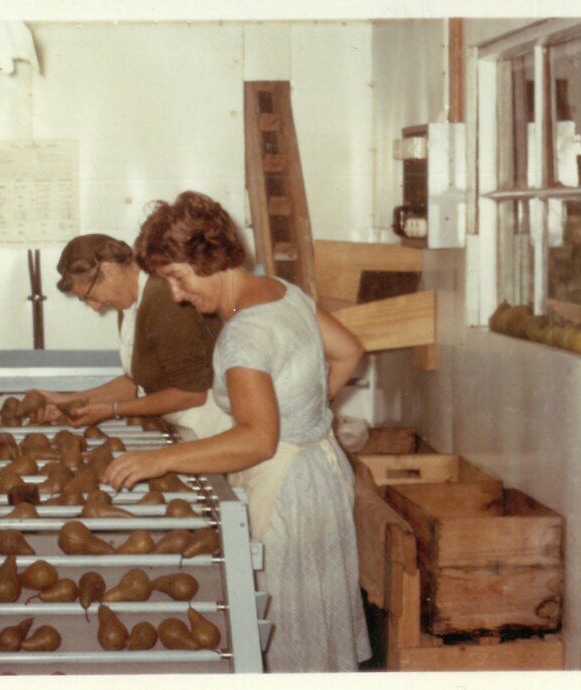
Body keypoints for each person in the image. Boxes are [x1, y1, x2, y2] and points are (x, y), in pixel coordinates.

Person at [102, 191, 371, 672]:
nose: (177, 295)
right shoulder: (283, 292)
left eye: (179, 278)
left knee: (286, 642)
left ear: (207, 259)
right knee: (319, 636)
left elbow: (257, 440)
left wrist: (159, 460)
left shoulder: (242, 335)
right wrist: (305, 412)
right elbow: (349, 351)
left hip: (284, 495)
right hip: (322, 478)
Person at [31, 233, 232, 440]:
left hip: (212, 428)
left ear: (108, 269)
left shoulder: (164, 296)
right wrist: (66, 400)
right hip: (185, 427)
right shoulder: (130, 302)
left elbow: (191, 393)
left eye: (90, 296)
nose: (96, 307)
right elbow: (136, 383)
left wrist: (113, 410)